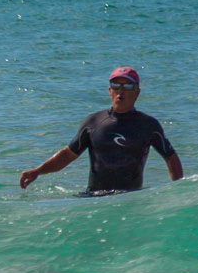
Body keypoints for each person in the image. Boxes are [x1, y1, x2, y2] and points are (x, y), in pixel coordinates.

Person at [19, 66, 183, 194]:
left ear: (137, 92)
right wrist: (38, 171)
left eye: (127, 85)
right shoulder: (93, 122)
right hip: (94, 197)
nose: (121, 90)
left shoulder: (149, 126)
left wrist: (179, 190)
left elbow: (170, 157)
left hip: (131, 196)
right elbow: (68, 155)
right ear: (109, 90)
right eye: (116, 84)